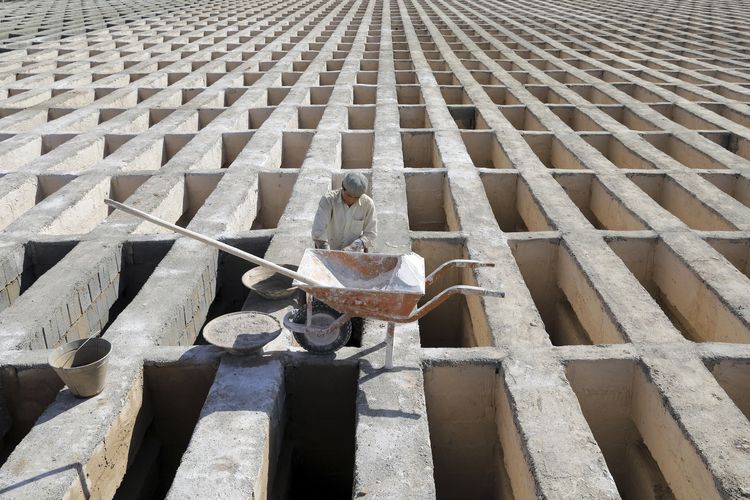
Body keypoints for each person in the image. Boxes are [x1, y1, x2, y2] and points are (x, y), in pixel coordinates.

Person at [311, 172, 376, 252]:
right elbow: (318, 231)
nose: (351, 200)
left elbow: (370, 234)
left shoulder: (368, 204)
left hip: (353, 254)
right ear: (343, 188)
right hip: (330, 249)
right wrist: (327, 252)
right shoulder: (328, 200)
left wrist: (352, 248)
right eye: (348, 196)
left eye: (356, 197)